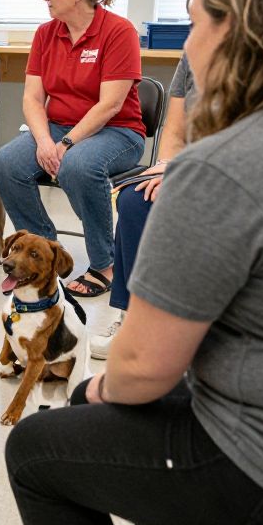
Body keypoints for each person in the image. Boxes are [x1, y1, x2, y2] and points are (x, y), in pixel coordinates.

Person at [5, 0, 263, 525]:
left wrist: (92, 389)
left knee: (34, 449)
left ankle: (98, 259)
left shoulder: (223, 169)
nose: (187, 46)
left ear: (238, 33)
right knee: (13, 162)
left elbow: (141, 371)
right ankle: (43, 259)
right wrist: (44, 139)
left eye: (194, 26)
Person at [0, 0, 144, 298]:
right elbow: (32, 98)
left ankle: (104, 263)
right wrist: (45, 141)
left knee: (79, 165)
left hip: (117, 131)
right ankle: (46, 254)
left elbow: (111, 104)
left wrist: (67, 144)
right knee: (7, 163)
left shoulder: (119, 32)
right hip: (58, 127)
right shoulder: (47, 34)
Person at [90, 49, 196, 359]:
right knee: (135, 199)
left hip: (227, 172)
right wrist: (166, 164)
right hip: (188, 163)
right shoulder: (193, 56)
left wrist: (184, 170)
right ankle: (132, 321)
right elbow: (175, 129)